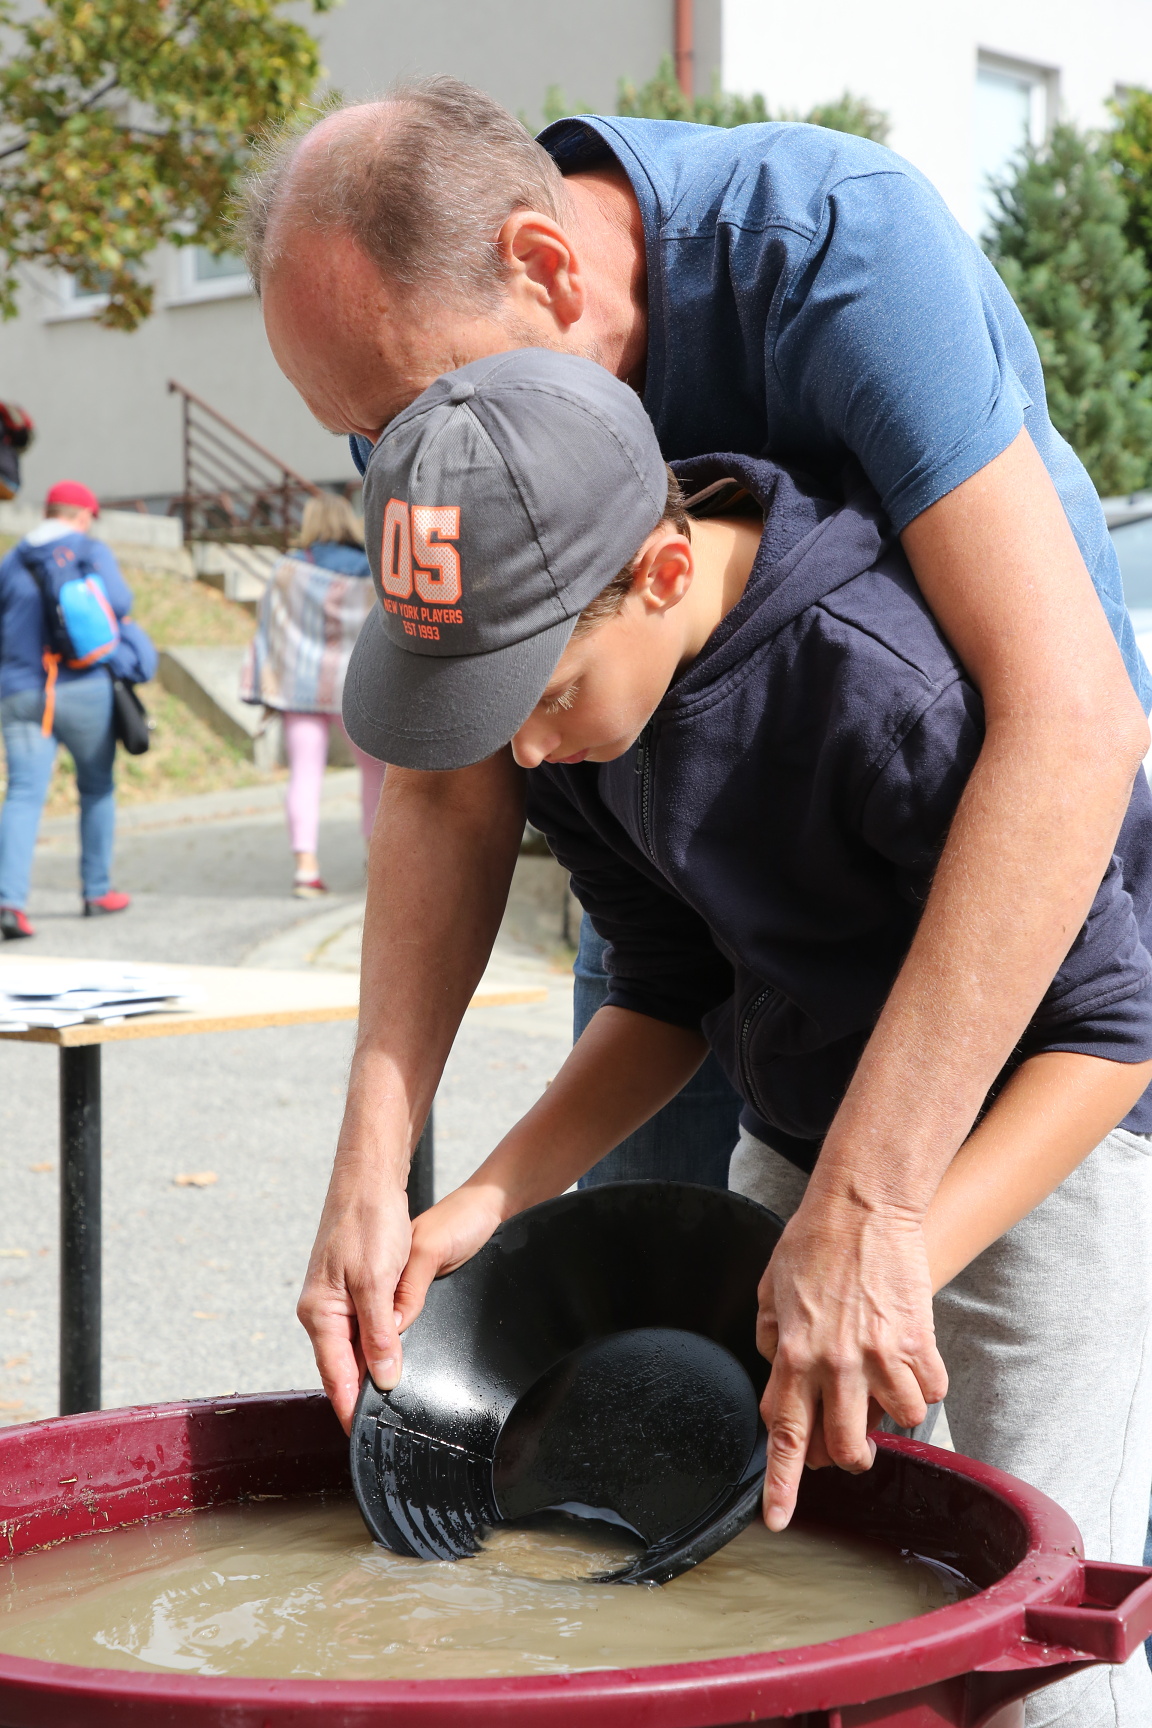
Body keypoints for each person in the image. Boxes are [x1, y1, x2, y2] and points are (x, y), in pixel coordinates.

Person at [239, 83, 1151, 1509]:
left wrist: (877, 1210)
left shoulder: (836, 251)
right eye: (367, 433)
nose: (397, 448)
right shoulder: (554, 700)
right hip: (699, 890)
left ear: (546, 267)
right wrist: (384, 1162)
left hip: (1001, 889)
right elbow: (466, 786)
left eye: (404, 410)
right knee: (687, 1431)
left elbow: (1070, 728)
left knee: (999, 1474)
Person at [351, 348, 1152, 1725]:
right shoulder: (591, 728)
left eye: (540, 693)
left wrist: (889, 1265)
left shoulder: (883, 689)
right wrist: (494, 1193)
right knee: (789, 1580)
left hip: (1046, 1145)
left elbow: (1111, 1029)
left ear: (663, 573)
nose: (522, 753)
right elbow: (664, 987)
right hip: (802, 1131)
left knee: (1033, 1617)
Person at [0, 480, 135, 938]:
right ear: (81, 515)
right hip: (83, 688)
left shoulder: (13, 559)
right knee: (97, 787)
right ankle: (97, 891)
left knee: (22, 794)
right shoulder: (89, 550)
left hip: (21, 692)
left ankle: (9, 904)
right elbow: (120, 604)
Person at [241, 492, 385, 896]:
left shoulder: (287, 569)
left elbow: (268, 628)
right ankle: (376, 865)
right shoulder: (370, 568)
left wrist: (263, 683)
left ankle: (306, 870)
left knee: (304, 776)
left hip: (299, 688)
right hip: (357, 688)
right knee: (376, 777)